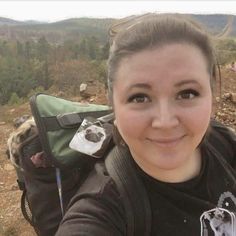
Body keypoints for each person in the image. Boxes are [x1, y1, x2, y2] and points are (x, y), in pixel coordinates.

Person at [56, 13, 236, 236]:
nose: (165, 121)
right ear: (113, 105)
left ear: (211, 94)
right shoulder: (102, 211)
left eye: (187, 93)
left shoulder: (225, 144)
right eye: (139, 97)